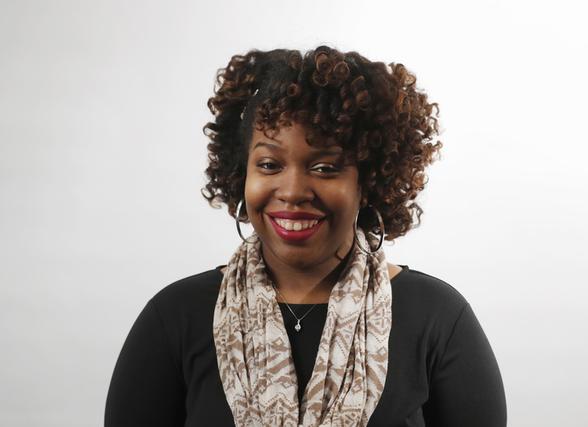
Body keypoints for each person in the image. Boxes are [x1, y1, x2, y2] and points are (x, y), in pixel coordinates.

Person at [104, 45, 507, 426]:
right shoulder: (175, 318)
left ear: (367, 182)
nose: (293, 191)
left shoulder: (437, 319)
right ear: (240, 174)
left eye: (325, 167)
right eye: (269, 164)